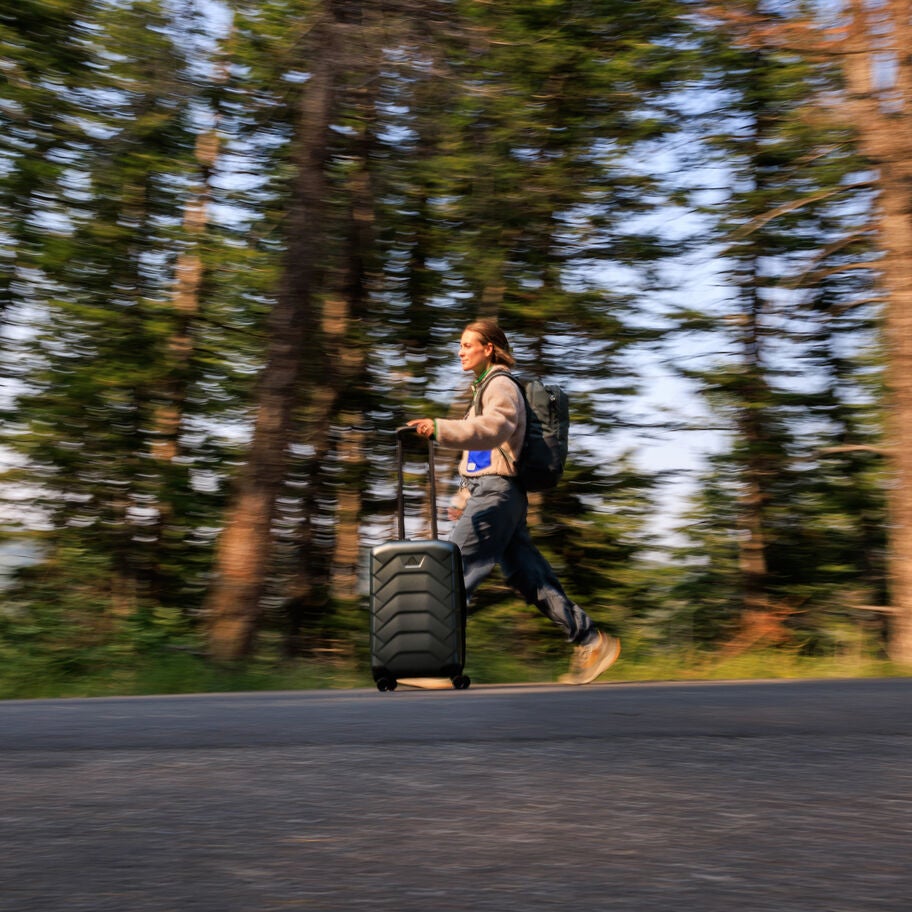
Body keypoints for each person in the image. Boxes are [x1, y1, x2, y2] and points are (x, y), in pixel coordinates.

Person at [408, 319, 620, 685]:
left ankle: (436, 663)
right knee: (530, 577)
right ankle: (591, 640)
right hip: (495, 493)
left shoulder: (500, 384)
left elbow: (496, 428)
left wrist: (441, 428)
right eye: (459, 345)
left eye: (466, 344)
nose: (460, 351)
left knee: (452, 568)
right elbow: (485, 453)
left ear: (488, 348)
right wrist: (463, 495)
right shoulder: (482, 389)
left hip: (497, 494)